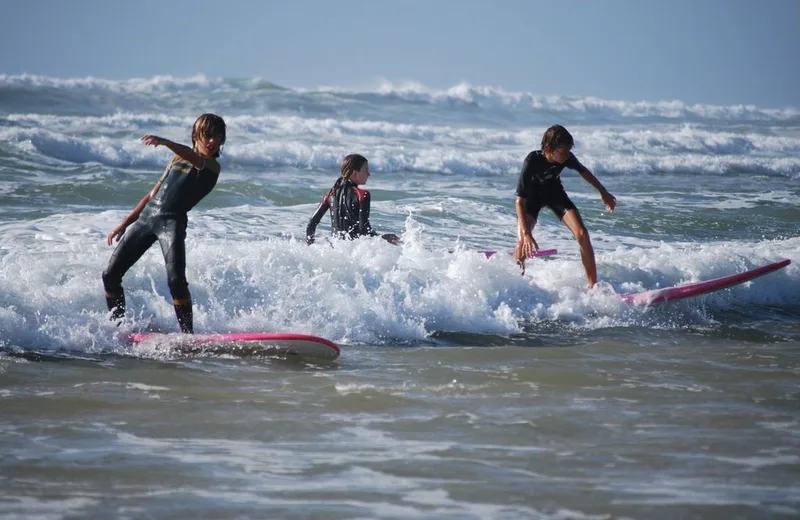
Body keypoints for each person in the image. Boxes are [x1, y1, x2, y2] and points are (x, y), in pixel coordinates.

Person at [102, 113, 227, 333]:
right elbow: (151, 195)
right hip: (146, 220)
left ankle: (188, 336)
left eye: (217, 136)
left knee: (176, 281)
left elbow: (192, 157)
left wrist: (166, 142)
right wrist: (125, 223)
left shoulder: (211, 167)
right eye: (207, 135)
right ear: (195, 135)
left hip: (172, 222)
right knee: (110, 275)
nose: (213, 141)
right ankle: (118, 327)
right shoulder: (176, 160)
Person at [514, 124, 616, 288]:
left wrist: (603, 192)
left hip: (555, 194)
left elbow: (583, 171)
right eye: (563, 151)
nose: (567, 154)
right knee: (522, 243)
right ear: (548, 149)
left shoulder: (567, 157)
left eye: (569, 149)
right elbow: (519, 200)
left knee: (582, 234)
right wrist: (526, 233)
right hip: (530, 199)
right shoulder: (531, 160)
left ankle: (593, 286)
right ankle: (516, 283)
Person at [305, 153, 400, 245]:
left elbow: (311, 224)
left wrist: (310, 245)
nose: (368, 174)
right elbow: (364, 230)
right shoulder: (362, 195)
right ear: (354, 173)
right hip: (353, 249)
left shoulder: (330, 195)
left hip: (335, 247)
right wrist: (383, 238)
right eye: (366, 170)